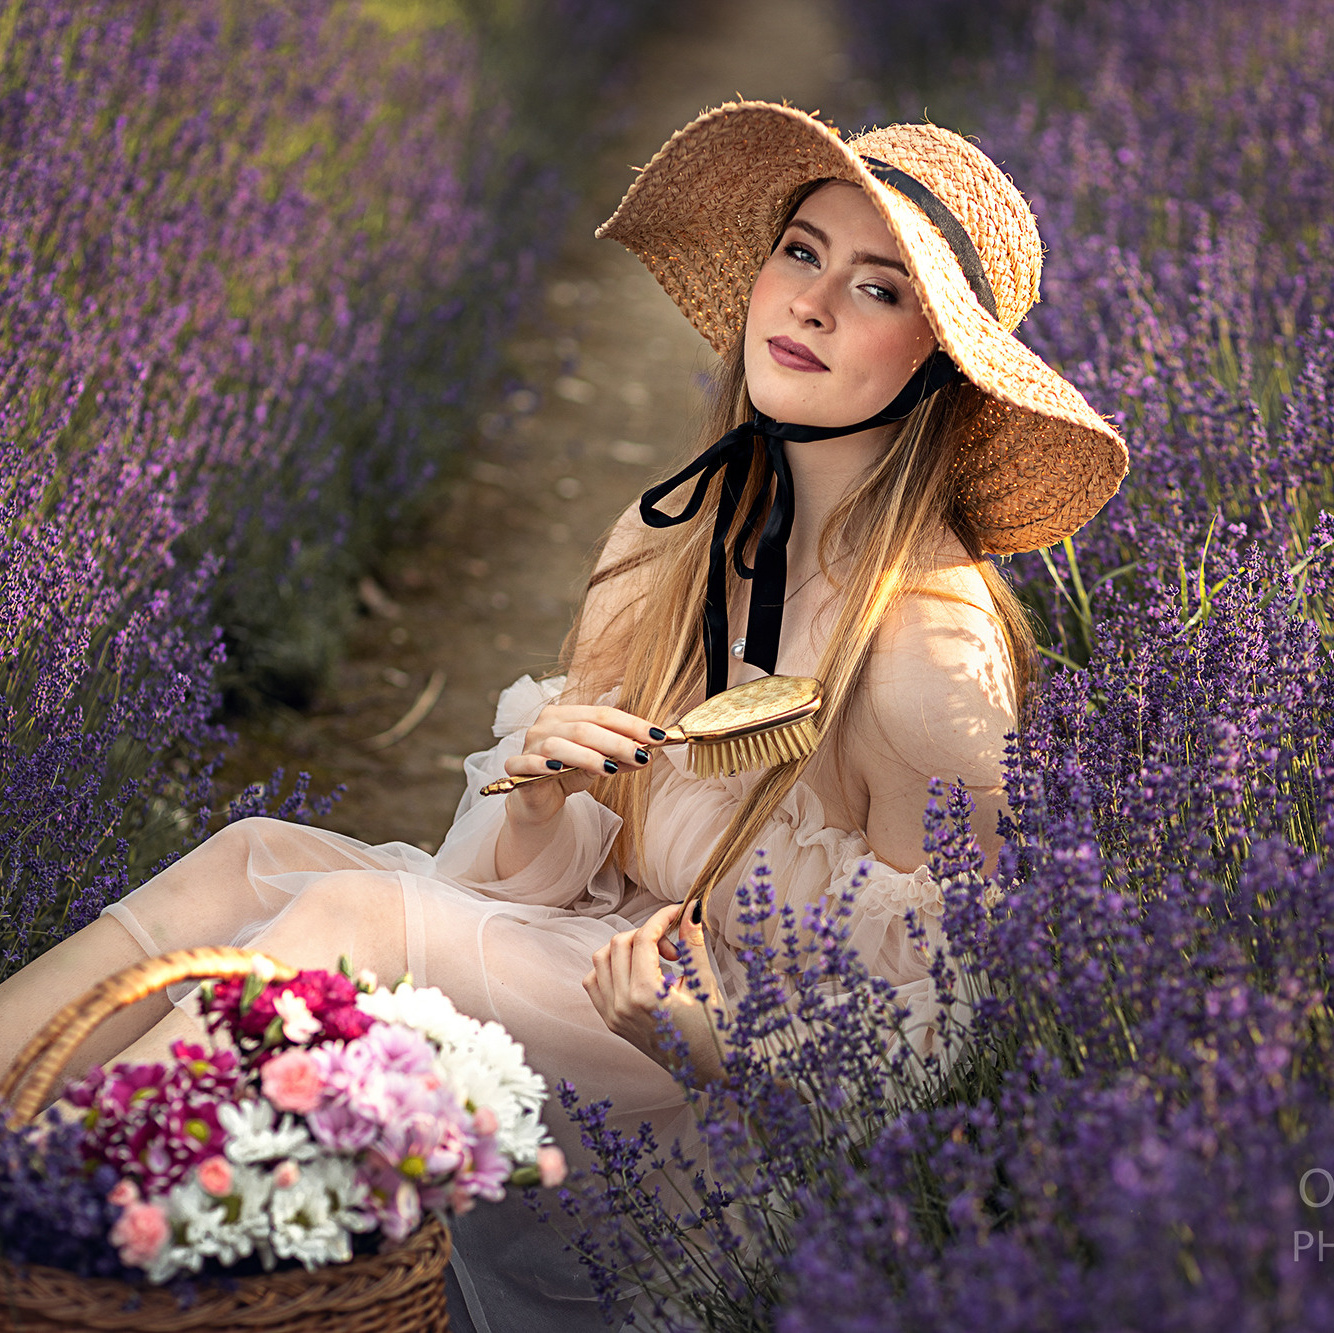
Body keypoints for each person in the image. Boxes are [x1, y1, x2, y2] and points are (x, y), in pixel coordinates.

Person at [0, 102, 1126, 1329]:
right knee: (248, 856)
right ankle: (40, 1183)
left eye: (876, 289)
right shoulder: (672, 539)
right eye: (799, 252)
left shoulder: (923, 655)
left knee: (350, 920)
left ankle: (48, 1220)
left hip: (722, 1116)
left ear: (939, 367)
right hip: (591, 966)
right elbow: (535, 881)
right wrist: (542, 798)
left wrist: (695, 1033)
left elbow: (927, 1053)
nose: (808, 303)